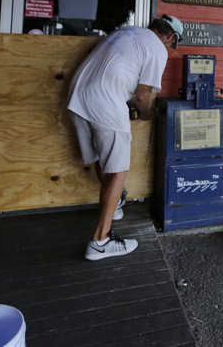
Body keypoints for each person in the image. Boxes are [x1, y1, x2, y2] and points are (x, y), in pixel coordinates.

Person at [67, 14, 183, 261]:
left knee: (101, 157)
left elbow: (122, 79)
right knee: (118, 169)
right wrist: (149, 115)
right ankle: (101, 241)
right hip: (105, 101)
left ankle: (116, 202)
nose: (170, 50)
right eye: (173, 45)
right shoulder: (157, 47)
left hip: (77, 95)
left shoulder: (125, 32)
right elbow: (142, 98)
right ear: (170, 37)